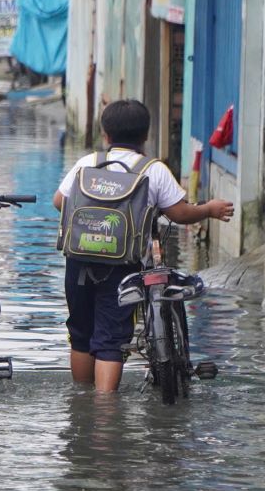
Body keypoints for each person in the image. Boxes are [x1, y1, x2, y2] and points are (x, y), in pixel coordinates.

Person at [51, 99, 234, 393]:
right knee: (111, 338)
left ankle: (81, 403)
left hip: (79, 261)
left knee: (81, 334)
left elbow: (59, 202)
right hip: (124, 266)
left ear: (105, 134)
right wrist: (209, 209)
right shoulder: (154, 169)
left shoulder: (87, 163)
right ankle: (105, 409)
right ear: (145, 136)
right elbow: (180, 214)